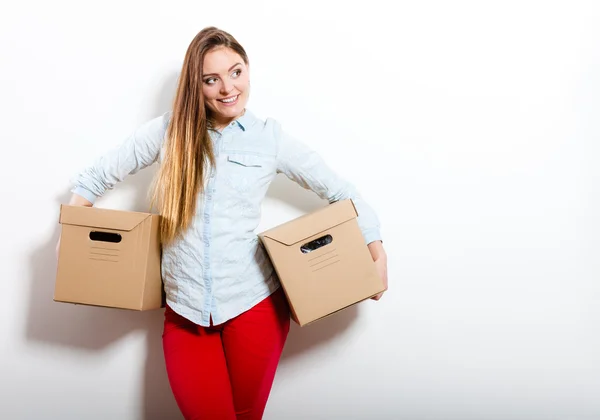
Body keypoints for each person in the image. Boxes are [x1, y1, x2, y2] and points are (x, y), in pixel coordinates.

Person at [58, 26, 388, 420]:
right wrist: (73, 232)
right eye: (211, 79)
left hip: (254, 307)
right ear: (195, 85)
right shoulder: (168, 131)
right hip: (184, 314)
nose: (227, 88)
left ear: (248, 70)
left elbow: (343, 192)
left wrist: (375, 248)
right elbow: (94, 177)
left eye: (235, 72)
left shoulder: (270, 138)